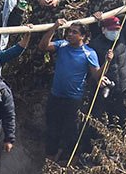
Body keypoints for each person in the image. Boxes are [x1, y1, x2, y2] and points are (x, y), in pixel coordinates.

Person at [40, 19, 101, 161]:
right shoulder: (62, 45)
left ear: (83, 36)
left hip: (73, 99)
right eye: (69, 31)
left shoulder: (89, 53)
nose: (70, 34)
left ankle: (68, 163)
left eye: (75, 32)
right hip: (56, 96)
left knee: (71, 131)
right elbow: (43, 46)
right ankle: (49, 160)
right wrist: (54, 27)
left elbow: (97, 75)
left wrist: (107, 63)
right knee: (52, 129)